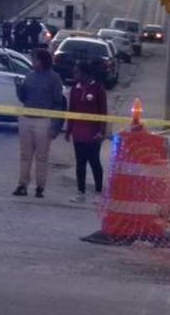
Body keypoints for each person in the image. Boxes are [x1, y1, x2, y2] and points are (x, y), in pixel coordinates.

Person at [14, 49, 65, 198]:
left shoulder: (54, 78)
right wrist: (18, 87)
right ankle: (22, 184)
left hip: (44, 121)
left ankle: (40, 187)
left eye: (35, 59)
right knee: (25, 155)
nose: (33, 62)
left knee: (41, 156)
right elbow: (23, 98)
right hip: (26, 118)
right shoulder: (29, 76)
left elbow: (58, 102)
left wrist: (56, 125)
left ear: (42, 61)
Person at [64, 61, 108, 203]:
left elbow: (103, 112)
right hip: (79, 133)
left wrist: (101, 131)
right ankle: (80, 192)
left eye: (76, 72)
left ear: (85, 73)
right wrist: (69, 130)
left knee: (94, 162)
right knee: (80, 163)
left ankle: (98, 192)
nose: (74, 74)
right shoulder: (75, 90)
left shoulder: (98, 89)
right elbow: (72, 111)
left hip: (93, 134)